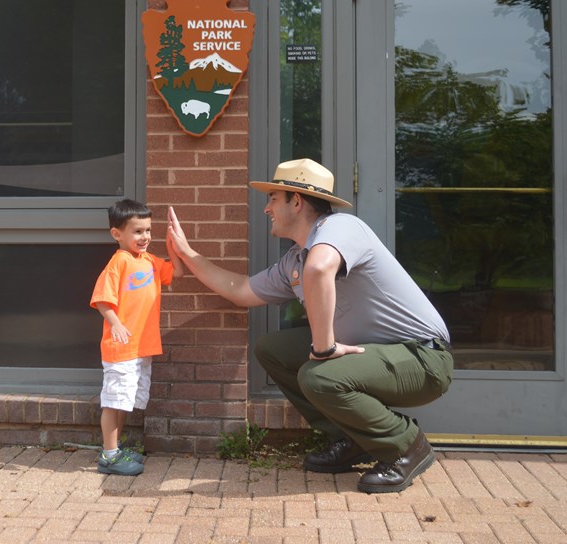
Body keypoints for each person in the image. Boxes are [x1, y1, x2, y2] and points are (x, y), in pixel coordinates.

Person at [167, 158, 453, 493]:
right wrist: (187, 253)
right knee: (273, 351)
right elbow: (242, 291)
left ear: (296, 201)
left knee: (317, 375)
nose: (266, 209)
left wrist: (324, 348)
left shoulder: (341, 227)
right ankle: (350, 437)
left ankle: (406, 446)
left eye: (273, 199)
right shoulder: (295, 260)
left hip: (422, 358)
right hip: (377, 355)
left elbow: (320, 270)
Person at [91, 199, 184, 476]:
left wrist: (172, 245)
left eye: (148, 231)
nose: (145, 237)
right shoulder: (118, 263)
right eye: (138, 232)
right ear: (117, 234)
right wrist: (116, 324)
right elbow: (102, 300)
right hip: (121, 348)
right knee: (113, 401)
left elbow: (176, 271)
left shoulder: (150, 261)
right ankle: (108, 456)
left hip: (140, 347)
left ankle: (115, 449)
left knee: (123, 402)